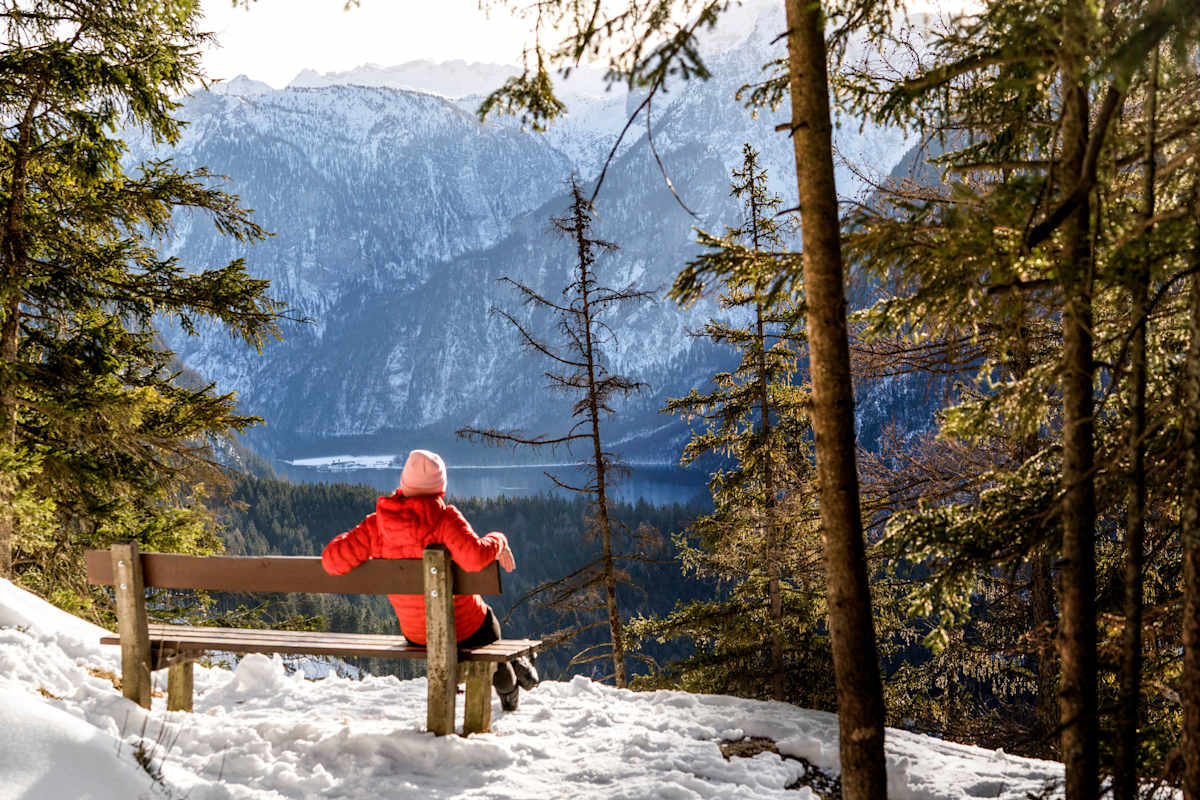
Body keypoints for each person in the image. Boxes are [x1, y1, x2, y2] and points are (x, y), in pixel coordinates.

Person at [321, 448, 538, 710]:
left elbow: (331, 561)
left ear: (404, 482)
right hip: (466, 630)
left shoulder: (377, 525)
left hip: (417, 634)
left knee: (481, 632)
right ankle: (508, 685)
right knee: (489, 629)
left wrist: (351, 537)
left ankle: (510, 664)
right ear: (440, 487)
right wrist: (499, 539)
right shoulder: (445, 519)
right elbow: (475, 558)